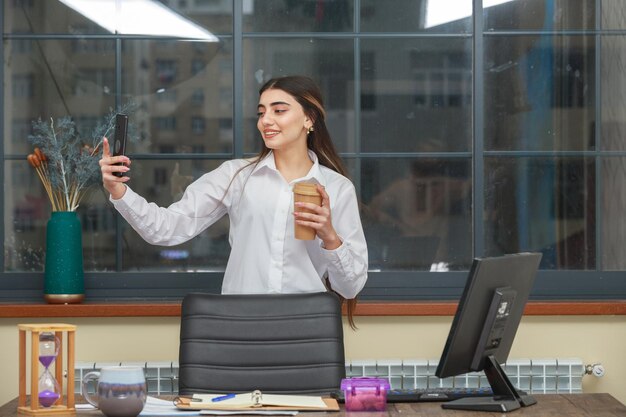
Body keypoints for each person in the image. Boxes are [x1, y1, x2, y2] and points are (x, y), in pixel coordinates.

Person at [99, 75, 368, 326]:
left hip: (307, 326)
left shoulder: (337, 188)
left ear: (309, 119)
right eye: (261, 112)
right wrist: (119, 191)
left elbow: (350, 286)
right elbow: (167, 228)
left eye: (279, 110)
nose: (266, 120)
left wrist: (330, 237)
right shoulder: (236, 176)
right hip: (241, 323)